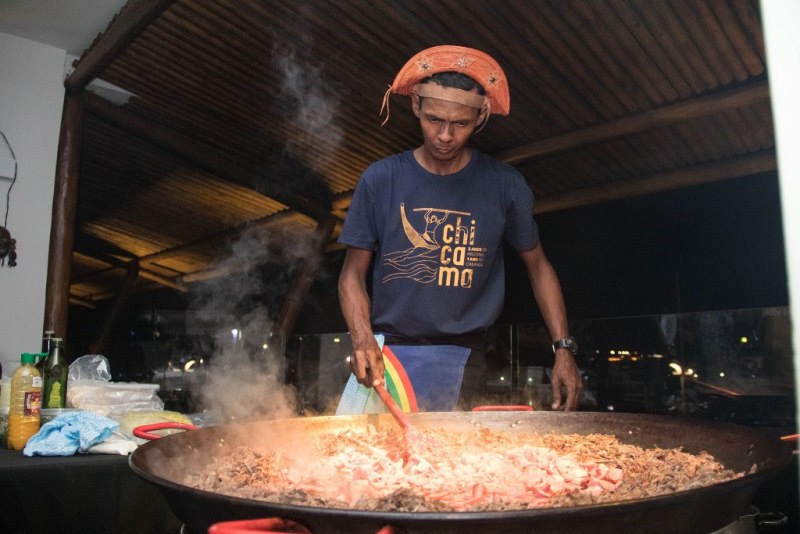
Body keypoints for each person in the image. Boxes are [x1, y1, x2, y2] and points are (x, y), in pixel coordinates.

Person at [338, 45, 582, 411]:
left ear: (481, 116)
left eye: (461, 124)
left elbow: (539, 267)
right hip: (389, 355)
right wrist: (361, 339)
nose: (445, 136)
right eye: (434, 119)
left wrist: (563, 349)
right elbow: (351, 276)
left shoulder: (505, 185)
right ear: (416, 106)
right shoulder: (381, 179)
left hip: (468, 357)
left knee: (457, 464)